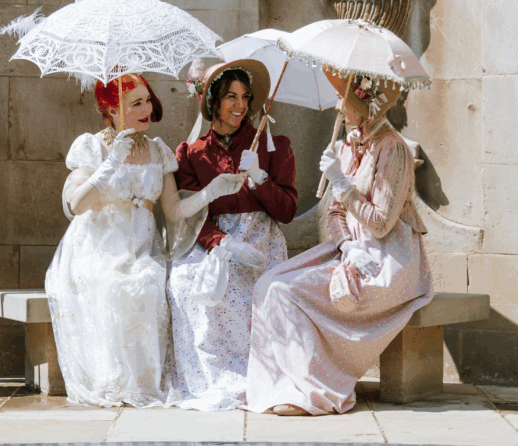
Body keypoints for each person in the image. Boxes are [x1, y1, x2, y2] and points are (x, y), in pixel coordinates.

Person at [45, 73, 247, 408]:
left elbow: (174, 210)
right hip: (98, 247)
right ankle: (117, 382)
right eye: (135, 103)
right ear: (110, 110)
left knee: (151, 280)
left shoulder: (157, 150)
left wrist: (211, 192)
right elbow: (77, 205)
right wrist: (111, 162)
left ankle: (145, 383)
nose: (146, 108)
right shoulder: (91, 146)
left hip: (141, 247)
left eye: (147, 100)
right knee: (115, 284)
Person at [245, 73, 433, 416]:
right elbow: (334, 212)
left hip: (390, 261)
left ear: (366, 104)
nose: (337, 106)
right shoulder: (348, 145)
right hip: (351, 250)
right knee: (268, 284)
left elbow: (379, 222)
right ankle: (278, 385)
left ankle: (314, 392)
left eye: (343, 99)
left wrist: (341, 182)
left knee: (290, 293)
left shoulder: (394, 149)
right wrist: (346, 246)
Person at [167, 60, 298, 411]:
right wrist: (222, 242)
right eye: (230, 97)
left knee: (246, 287)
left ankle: (257, 375)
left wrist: (260, 178)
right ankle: (213, 376)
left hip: (262, 240)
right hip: (212, 241)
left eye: (245, 97)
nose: (240, 105)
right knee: (184, 282)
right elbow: (191, 214)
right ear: (212, 101)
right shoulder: (191, 153)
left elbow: (286, 211)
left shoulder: (274, 146)